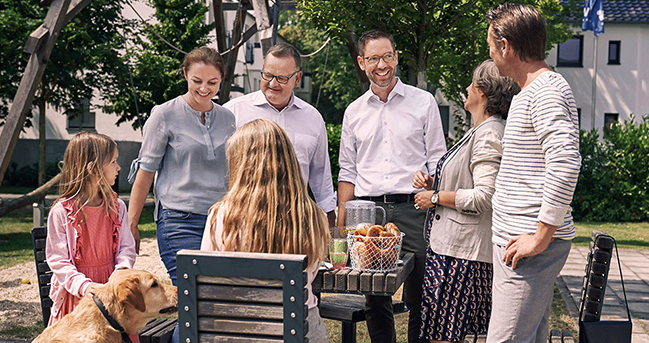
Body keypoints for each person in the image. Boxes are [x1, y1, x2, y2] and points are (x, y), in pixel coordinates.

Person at [338, 29, 447, 343]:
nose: (381, 64)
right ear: (361, 62)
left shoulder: (423, 102)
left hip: (416, 209)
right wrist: (342, 224)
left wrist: (429, 180)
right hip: (369, 212)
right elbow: (347, 171)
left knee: (422, 296)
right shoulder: (353, 112)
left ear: (396, 57)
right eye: (373, 58)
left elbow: (439, 160)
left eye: (387, 56)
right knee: (375, 297)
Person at [484, 4, 582, 343]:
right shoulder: (533, 91)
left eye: (490, 47)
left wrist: (540, 238)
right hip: (518, 241)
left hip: (527, 246)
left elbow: (566, 161)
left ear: (506, 46)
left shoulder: (546, 91)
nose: (491, 55)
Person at [412, 60, 520, 343]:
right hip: (454, 252)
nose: (466, 88)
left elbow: (485, 196)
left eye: (472, 83)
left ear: (483, 91)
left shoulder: (489, 133)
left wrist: (435, 197)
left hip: (461, 257)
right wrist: (436, 183)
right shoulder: (480, 130)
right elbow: (469, 181)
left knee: (444, 338)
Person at [201, 118, 329, 343]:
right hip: (300, 329)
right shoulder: (313, 216)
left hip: (237, 330)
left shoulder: (220, 216)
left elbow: (209, 279)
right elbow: (312, 270)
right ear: (288, 160)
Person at [127, 46, 236, 285]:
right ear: (185, 74)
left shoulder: (228, 118)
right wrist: (131, 223)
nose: (204, 89)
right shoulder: (164, 114)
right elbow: (146, 171)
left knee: (216, 297)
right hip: (179, 220)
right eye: (197, 80)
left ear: (221, 81)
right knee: (191, 295)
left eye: (212, 82)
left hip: (221, 222)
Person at [223, 43, 336, 226]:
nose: (273, 83)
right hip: (243, 218)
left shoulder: (313, 118)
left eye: (282, 78)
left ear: (297, 78)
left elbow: (321, 176)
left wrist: (330, 221)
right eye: (268, 75)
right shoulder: (233, 112)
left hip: (296, 220)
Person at [46, 132, 136, 329]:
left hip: (112, 293)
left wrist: (119, 276)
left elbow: (127, 248)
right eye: (113, 161)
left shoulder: (117, 207)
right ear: (93, 168)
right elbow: (58, 261)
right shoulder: (61, 212)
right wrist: (85, 286)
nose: (118, 167)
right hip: (76, 298)